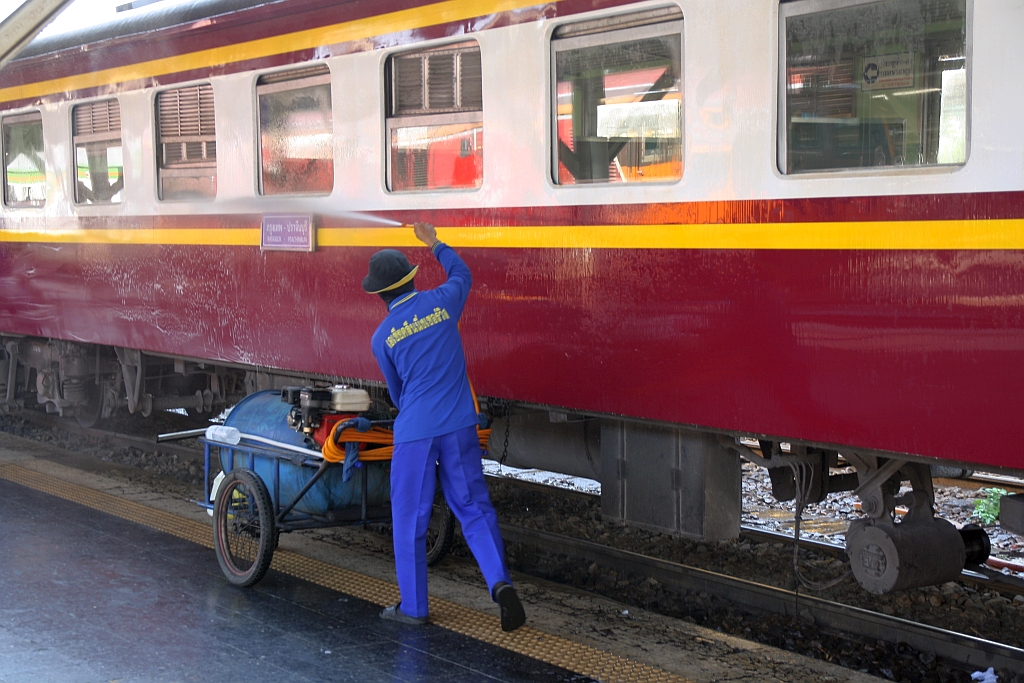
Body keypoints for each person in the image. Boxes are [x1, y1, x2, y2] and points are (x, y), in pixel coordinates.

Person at [363, 222, 526, 632]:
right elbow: (463, 274)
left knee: (410, 521)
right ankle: (501, 584)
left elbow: (398, 394)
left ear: (380, 294)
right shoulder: (442, 302)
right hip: (459, 426)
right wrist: (433, 242)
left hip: (416, 432)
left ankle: (414, 608)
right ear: (410, 279)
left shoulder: (383, 337)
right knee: (473, 507)